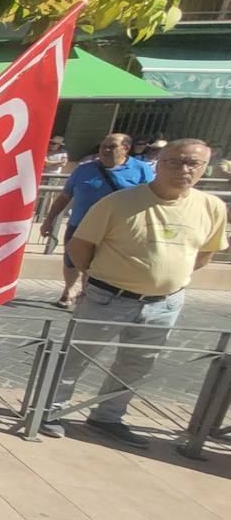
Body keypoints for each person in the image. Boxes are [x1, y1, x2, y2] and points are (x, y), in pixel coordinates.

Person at [42, 139, 226, 447]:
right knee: (76, 357)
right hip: (107, 297)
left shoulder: (211, 207)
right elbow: (79, 246)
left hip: (164, 304)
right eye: (174, 162)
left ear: (203, 168)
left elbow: (205, 253)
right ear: (159, 164)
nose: (183, 169)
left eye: (192, 164)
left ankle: (108, 417)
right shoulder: (119, 203)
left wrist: (164, 279)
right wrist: (100, 278)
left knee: (138, 364)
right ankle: (48, 411)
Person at [39, 133, 152, 309]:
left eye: (111, 146)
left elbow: (151, 197)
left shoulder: (141, 169)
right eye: (103, 146)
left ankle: (87, 293)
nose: (105, 150)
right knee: (72, 260)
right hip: (80, 224)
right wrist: (49, 220)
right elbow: (65, 196)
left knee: (98, 264)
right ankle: (69, 290)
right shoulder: (84, 169)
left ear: (125, 149)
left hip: (115, 229)